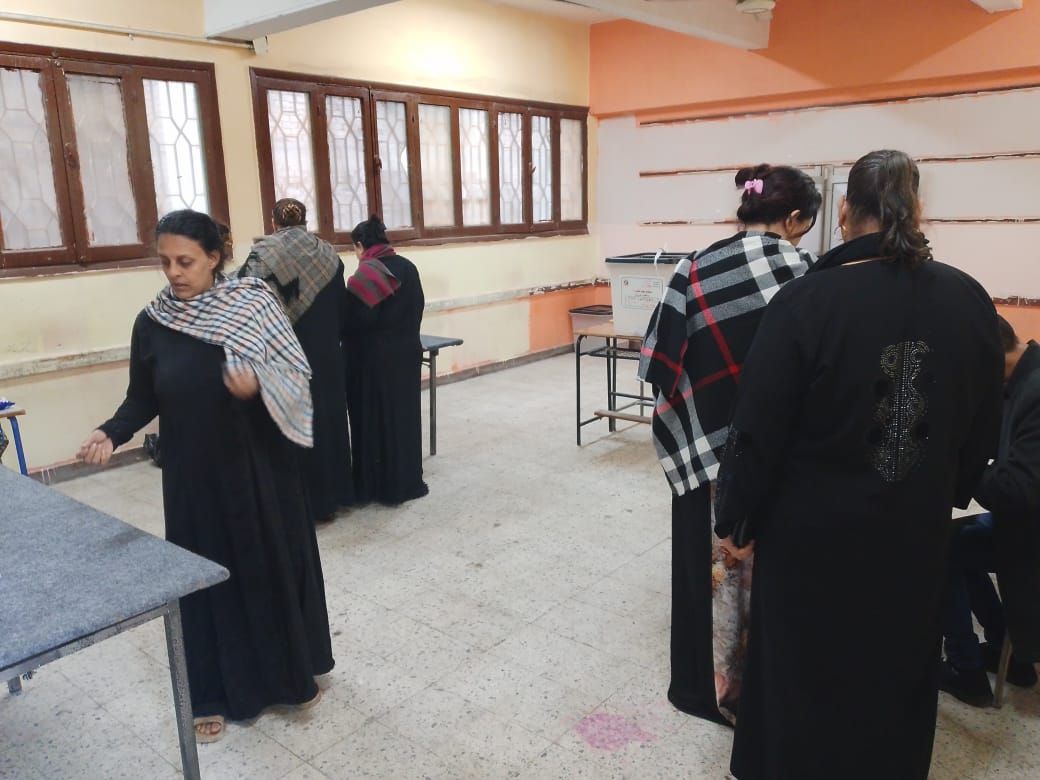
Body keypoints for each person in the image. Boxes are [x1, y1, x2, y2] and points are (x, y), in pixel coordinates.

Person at [713, 150, 1004, 779]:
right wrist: (946, 490)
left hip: (809, 538)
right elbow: (984, 422)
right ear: (917, 208)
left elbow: (757, 429)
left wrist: (736, 517)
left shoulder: (805, 302)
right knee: (896, 663)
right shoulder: (968, 299)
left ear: (844, 212)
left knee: (803, 666)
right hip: (914, 531)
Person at [78, 210, 334, 743]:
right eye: (165, 262)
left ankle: (286, 677)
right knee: (204, 578)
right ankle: (211, 692)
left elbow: (296, 373)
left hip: (260, 468)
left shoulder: (253, 305)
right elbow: (142, 396)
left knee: (265, 568)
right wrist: (111, 431)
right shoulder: (153, 322)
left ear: (214, 258)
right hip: (193, 475)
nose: (173, 272)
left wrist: (260, 384)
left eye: (185, 261)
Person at [637, 164, 821, 724]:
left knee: (704, 566)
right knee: (760, 574)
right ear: (794, 218)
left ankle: (698, 686)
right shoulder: (805, 273)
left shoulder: (692, 266)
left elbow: (659, 358)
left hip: (700, 446)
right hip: (769, 456)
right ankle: (751, 692)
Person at [941, 315, 1040, 706]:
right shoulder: (1020, 381)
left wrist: (958, 470)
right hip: (1023, 522)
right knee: (956, 543)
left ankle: (966, 670)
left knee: (941, 551)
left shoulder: (1035, 391)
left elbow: (1016, 487)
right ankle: (1007, 654)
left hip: (1030, 534)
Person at [239, 198, 355, 523]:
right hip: (326, 354)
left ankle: (300, 504)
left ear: (274, 222)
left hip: (285, 355)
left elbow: (247, 304)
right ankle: (334, 495)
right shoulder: (329, 254)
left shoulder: (263, 254)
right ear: (306, 221)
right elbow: (341, 307)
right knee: (328, 420)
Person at [342, 215, 428, 505]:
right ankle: (408, 481)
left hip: (374, 363)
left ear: (360, 245)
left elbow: (358, 322)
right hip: (407, 353)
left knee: (375, 421)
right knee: (403, 418)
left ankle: (377, 487)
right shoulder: (408, 267)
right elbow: (417, 307)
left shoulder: (367, 273)